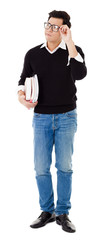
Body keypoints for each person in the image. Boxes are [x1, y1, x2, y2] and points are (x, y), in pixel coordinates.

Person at [17, 10, 87, 233]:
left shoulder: (72, 51)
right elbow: (22, 81)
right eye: (48, 24)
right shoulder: (32, 54)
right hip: (41, 118)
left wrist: (69, 42)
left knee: (64, 167)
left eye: (56, 26)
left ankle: (63, 213)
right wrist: (22, 98)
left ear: (65, 29)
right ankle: (47, 211)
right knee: (40, 167)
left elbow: (80, 73)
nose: (49, 28)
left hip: (67, 117)